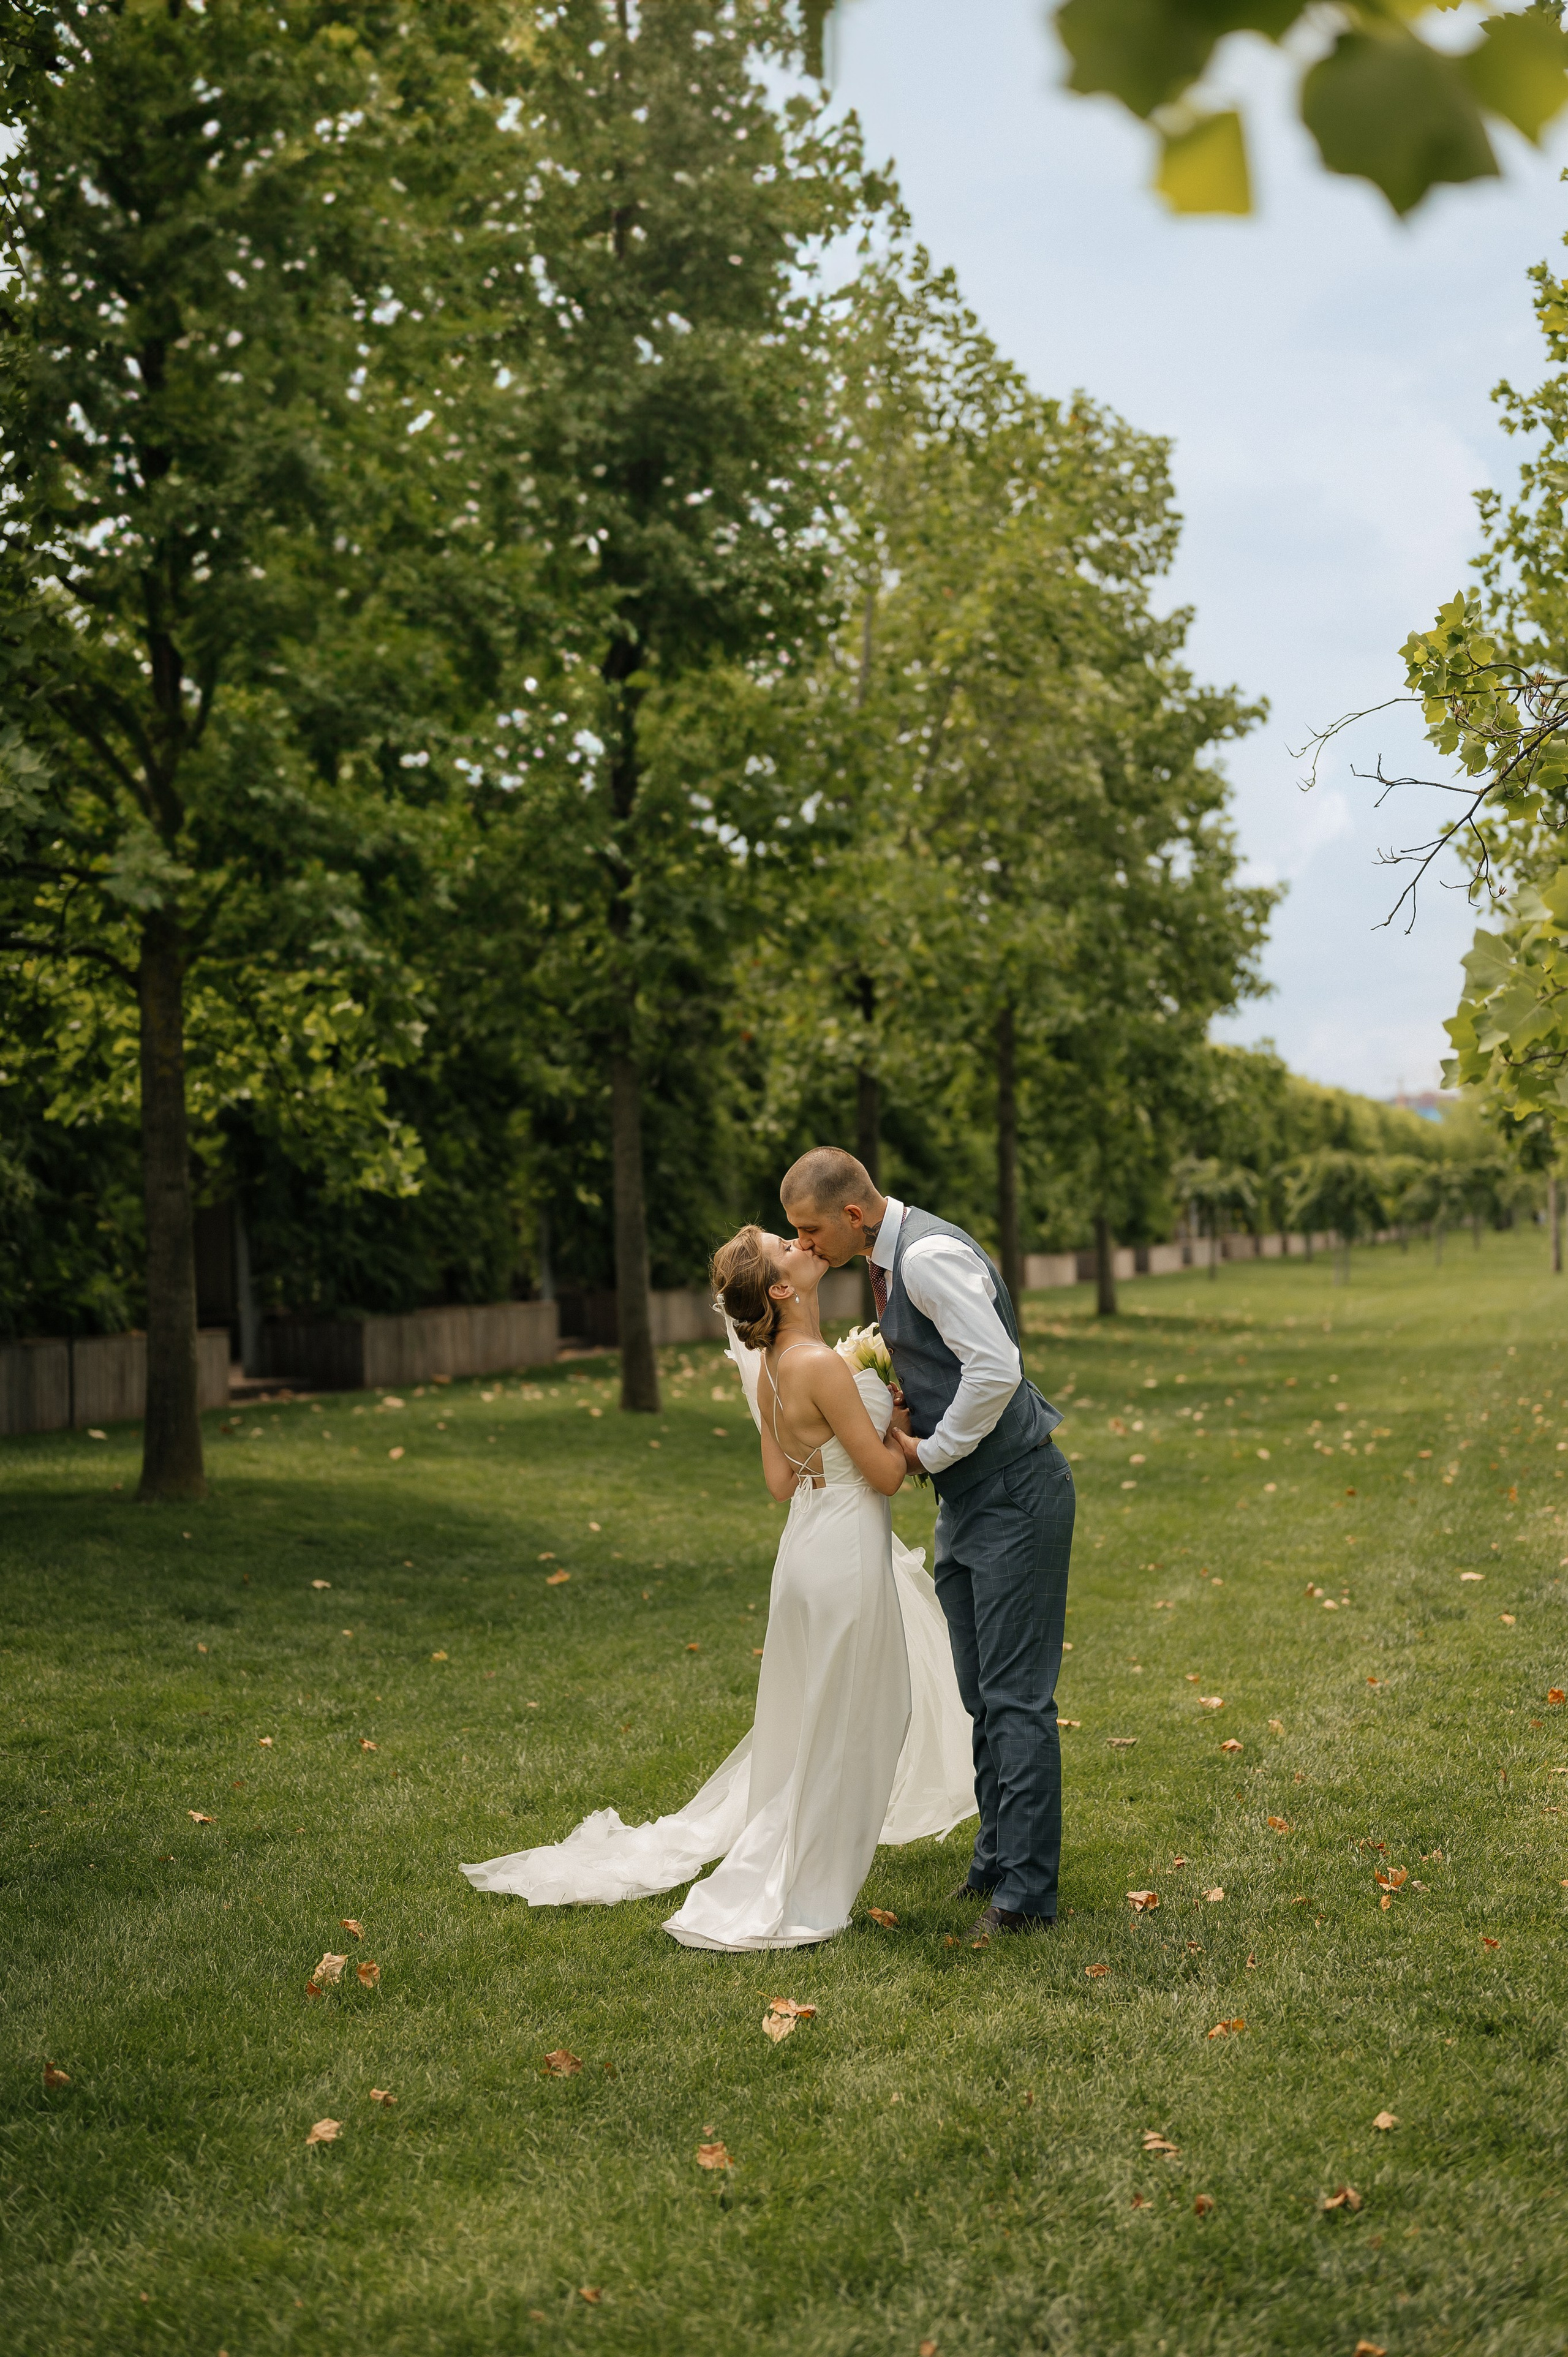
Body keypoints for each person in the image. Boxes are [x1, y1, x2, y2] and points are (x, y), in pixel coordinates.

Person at [458, 1226, 975, 1949]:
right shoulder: (821, 1365)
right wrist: (893, 1421)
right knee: (861, 1716)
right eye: (785, 1247)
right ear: (780, 1289)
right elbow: (888, 1477)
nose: (801, 1244)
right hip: (845, 1552)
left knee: (820, 1717)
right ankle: (807, 1888)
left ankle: (804, 1859)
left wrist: (852, 1432)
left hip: (803, 1547)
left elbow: (776, 1480)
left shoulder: (769, 1365)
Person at [781, 1147, 1072, 1937]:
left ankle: (1027, 1895)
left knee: (1016, 1699)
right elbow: (951, 1366)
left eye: (808, 1230)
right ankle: (994, 1859)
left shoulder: (930, 1256)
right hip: (970, 1502)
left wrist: (927, 1451)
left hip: (1014, 1491)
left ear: (850, 1214)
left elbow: (995, 1369)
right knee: (979, 1692)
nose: (804, 1247)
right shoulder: (886, 1256)